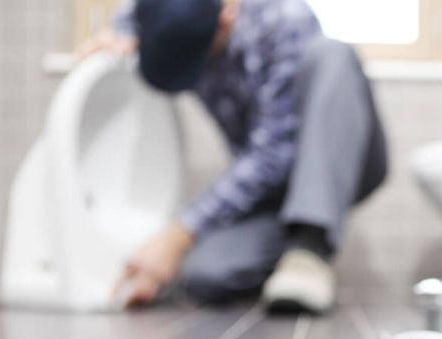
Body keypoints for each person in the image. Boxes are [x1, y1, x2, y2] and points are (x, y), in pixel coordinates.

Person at [82, 0, 387, 312]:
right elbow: (131, 16)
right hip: (271, 191)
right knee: (205, 274)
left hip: (339, 155)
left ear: (226, 18)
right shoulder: (153, 10)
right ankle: (289, 253)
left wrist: (178, 235)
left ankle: (309, 249)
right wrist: (118, 37)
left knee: (330, 55)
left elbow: (273, 154)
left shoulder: (282, 18)